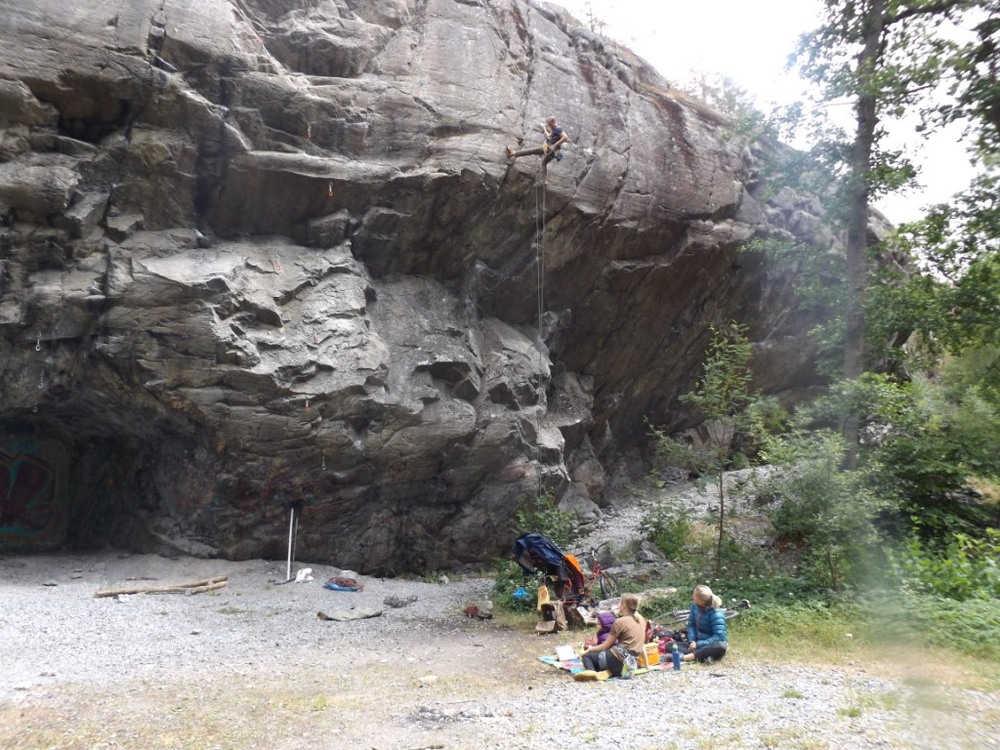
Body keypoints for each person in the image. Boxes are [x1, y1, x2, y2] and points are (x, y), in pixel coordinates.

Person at [576, 593, 645, 679]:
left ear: (624, 605)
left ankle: (593, 674)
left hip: (617, 660)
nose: (618, 605)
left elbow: (606, 645)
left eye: (620, 603)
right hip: (632, 663)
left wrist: (590, 649)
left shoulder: (620, 622)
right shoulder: (641, 620)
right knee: (599, 658)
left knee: (587, 656)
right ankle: (606, 671)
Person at [505, 116, 569, 173]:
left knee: (531, 150)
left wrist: (554, 145)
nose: (549, 126)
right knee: (544, 164)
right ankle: (543, 181)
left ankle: (513, 153)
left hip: (549, 148)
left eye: (549, 124)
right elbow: (549, 136)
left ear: (552, 121)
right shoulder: (554, 128)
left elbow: (565, 137)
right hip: (553, 151)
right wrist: (544, 128)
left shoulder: (558, 128)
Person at [683, 584, 728, 664]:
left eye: (694, 595)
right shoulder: (695, 607)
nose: (692, 597)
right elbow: (691, 626)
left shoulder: (716, 613)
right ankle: (704, 656)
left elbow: (719, 637)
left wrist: (698, 644)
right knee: (669, 646)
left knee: (721, 646)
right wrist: (692, 641)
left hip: (710, 644)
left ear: (700, 599)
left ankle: (686, 657)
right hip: (697, 642)